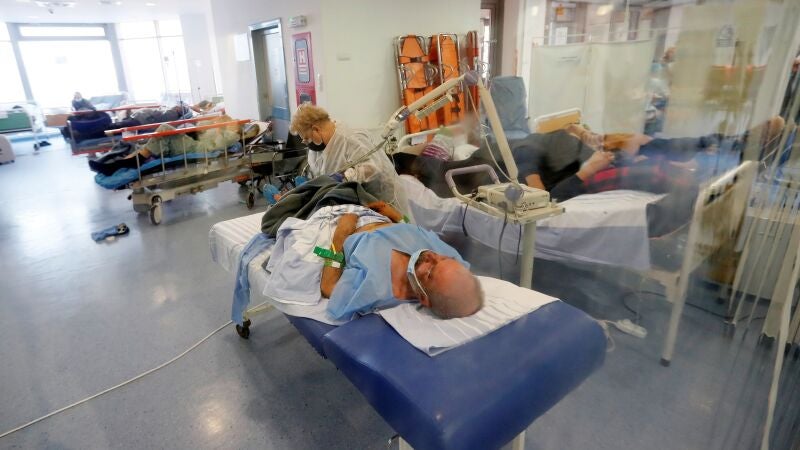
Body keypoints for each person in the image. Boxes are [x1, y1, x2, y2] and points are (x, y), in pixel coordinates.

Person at [321, 201, 484, 320]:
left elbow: (328, 287)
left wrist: (340, 237)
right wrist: (399, 218)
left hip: (335, 220)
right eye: (443, 258)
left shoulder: (375, 289)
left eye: (430, 271)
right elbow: (417, 233)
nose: (431, 255)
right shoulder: (451, 266)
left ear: (423, 297)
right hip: (379, 213)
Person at [289, 104, 411, 218]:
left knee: (396, 229)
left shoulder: (350, 139)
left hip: (383, 198)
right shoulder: (317, 150)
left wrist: (345, 176)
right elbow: (320, 172)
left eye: (307, 138)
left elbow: (373, 168)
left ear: (316, 129)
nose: (306, 143)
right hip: (356, 204)